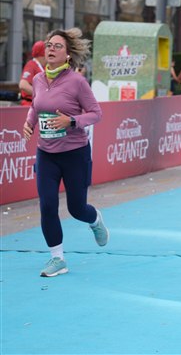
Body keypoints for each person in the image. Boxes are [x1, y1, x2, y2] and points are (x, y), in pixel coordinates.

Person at [22, 28, 107, 278]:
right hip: (46, 153)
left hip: (75, 153)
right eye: (49, 45)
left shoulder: (77, 82)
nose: (51, 49)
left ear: (68, 55)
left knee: (76, 209)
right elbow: (36, 106)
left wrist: (71, 121)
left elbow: (96, 114)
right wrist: (29, 122)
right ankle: (57, 258)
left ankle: (94, 219)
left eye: (57, 46)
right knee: (47, 205)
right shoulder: (38, 79)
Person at [19, 41, 46, 106]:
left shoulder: (44, 67)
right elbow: (23, 85)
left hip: (39, 105)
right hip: (29, 105)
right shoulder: (31, 64)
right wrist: (42, 94)